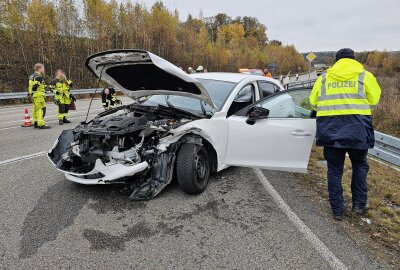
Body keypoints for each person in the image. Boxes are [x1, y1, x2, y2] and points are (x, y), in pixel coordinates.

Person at [309, 48, 381, 220]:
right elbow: (374, 100)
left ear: (336, 60)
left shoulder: (324, 78)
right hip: (357, 129)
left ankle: (337, 211)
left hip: (330, 129)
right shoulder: (365, 76)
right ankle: (359, 205)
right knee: (360, 165)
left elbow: (313, 103)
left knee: (334, 170)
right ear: (354, 59)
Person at [28, 63, 50, 129]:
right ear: (39, 68)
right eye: (43, 68)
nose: (43, 69)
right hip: (39, 95)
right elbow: (35, 86)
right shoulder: (38, 76)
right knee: (41, 109)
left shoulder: (32, 76)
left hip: (34, 95)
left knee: (36, 109)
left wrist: (45, 87)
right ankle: (41, 124)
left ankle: (35, 122)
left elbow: (32, 86)